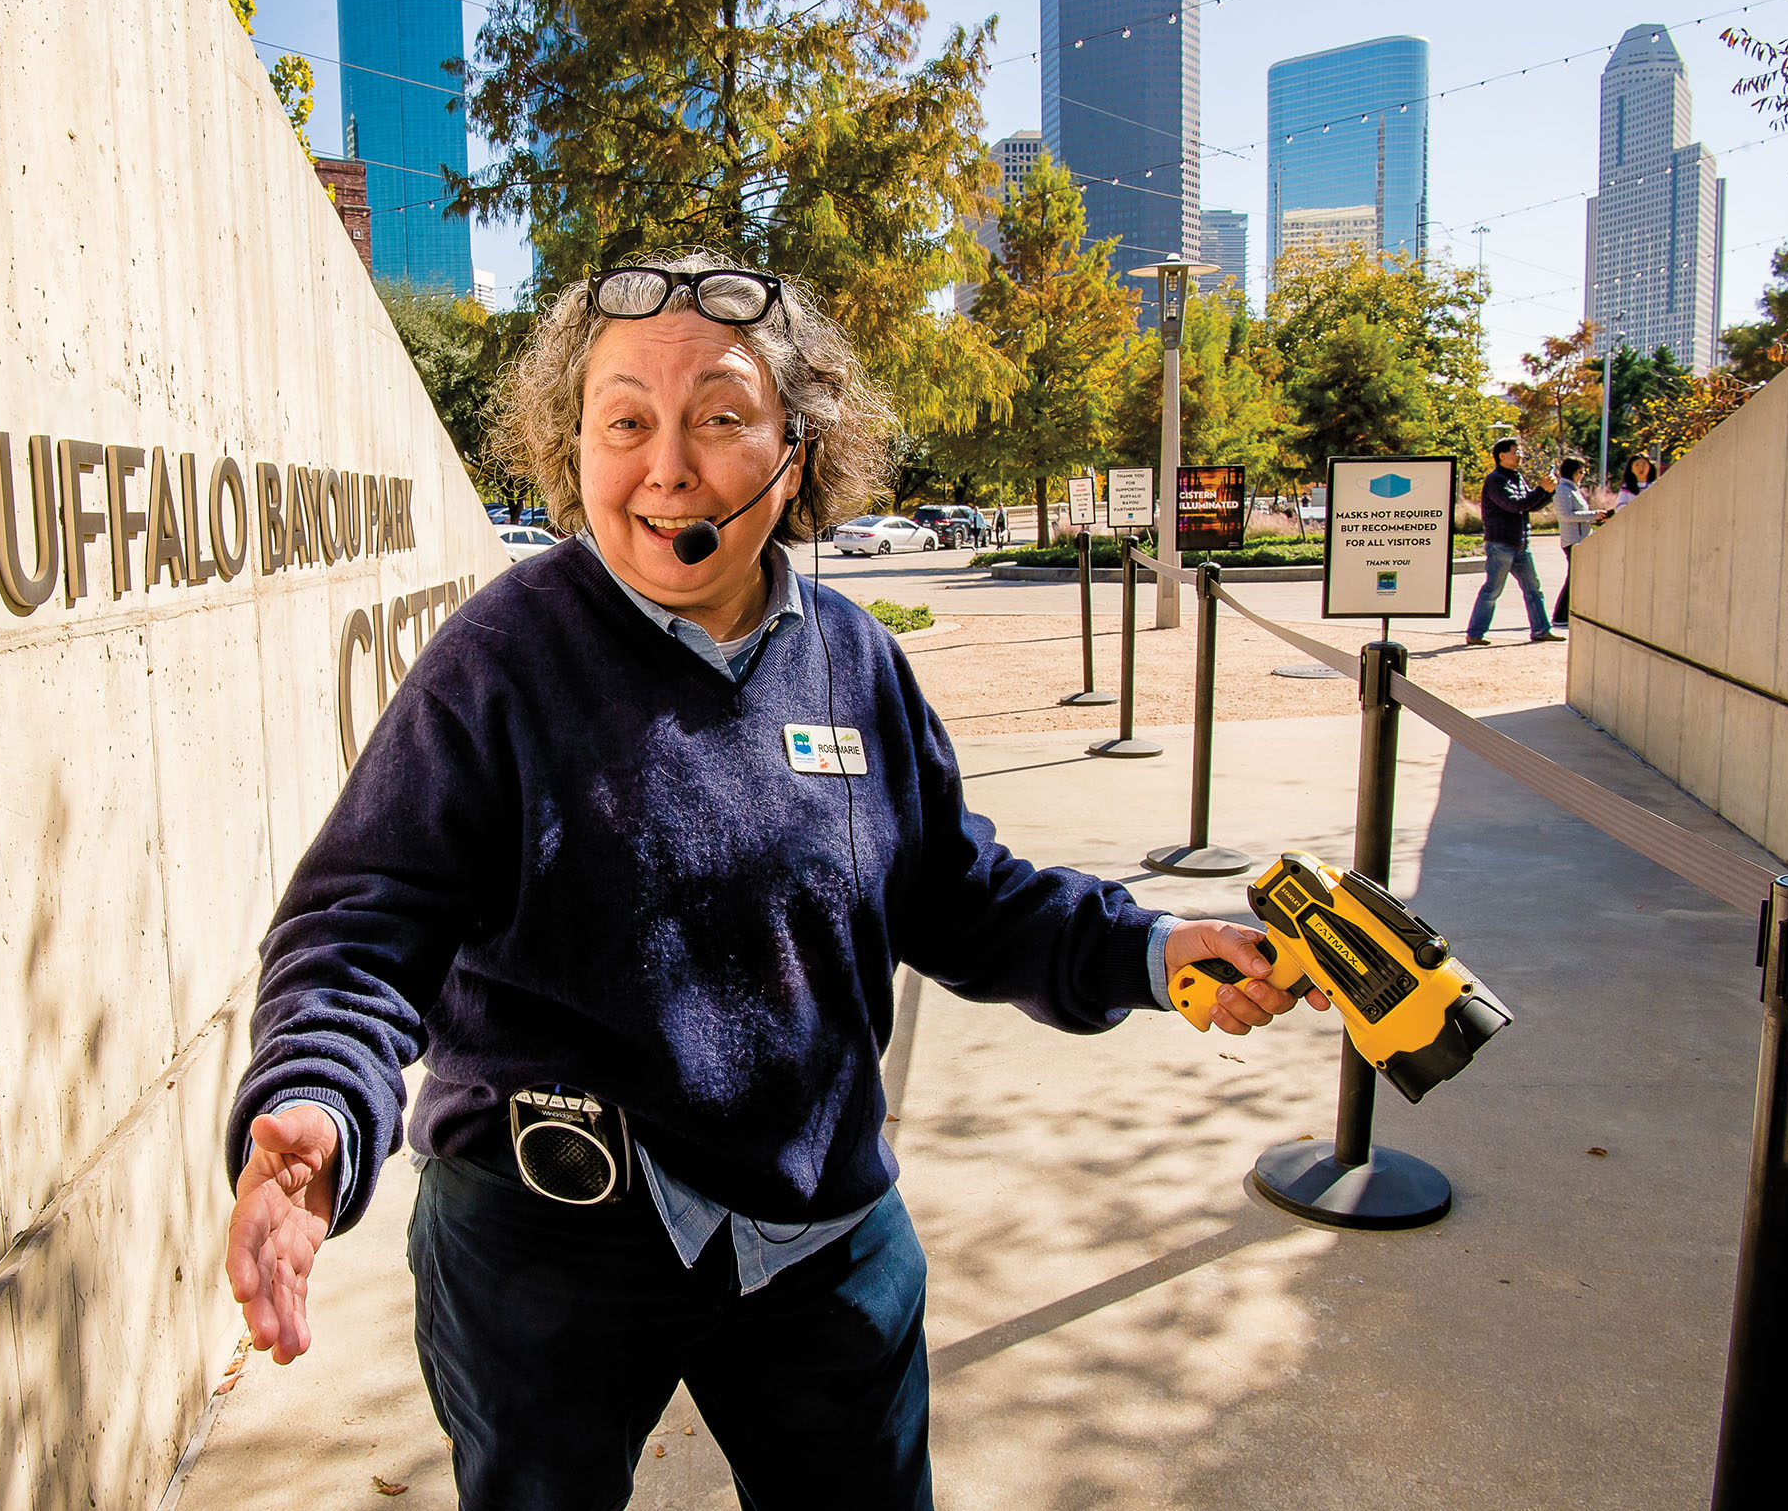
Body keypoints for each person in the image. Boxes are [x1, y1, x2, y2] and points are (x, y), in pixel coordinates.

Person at [218, 249, 1323, 1511]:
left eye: (721, 419)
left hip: (819, 1225)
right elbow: (361, 926)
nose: (667, 465)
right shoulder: (498, 662)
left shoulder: (852, 659)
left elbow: (955, 891)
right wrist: (315, 1107)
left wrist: (1150, 947)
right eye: (624, 420)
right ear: (570, 444)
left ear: (799, 450)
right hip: (546, 1245)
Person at [1466, 436, 1559, 646]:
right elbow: (1514, 505)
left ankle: (1541, 630)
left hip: (1520, 544)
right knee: (1492, 590)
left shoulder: (1516, 478)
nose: (1520, 455)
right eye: (1516, 451)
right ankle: (1475, 633)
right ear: (1502, 456)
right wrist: (1542, 490)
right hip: (1501, 544)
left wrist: (1546, 492)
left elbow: (1529, 505)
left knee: (1533, 588)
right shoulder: (1496, 480)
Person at [1550, 457, 1600, 627]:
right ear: (1572, 471)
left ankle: (1567, 613)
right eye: (1581, 471)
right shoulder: (1563, 490)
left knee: (1576, 577)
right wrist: (1594, 515)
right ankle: (1560, 615)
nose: (1583, 475)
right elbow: (1566, 515)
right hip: (1573, 540)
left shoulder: (1573, 490)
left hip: (1581, 538)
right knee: (1573, 578)